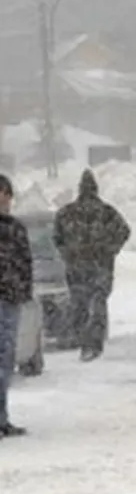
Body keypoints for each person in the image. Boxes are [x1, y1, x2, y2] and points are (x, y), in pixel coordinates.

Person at [53, 169, 130, 361]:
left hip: (77, 268)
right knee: (97, 303)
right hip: (100, 267)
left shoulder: (66, 213)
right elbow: (124, 231)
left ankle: (83, 340)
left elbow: (56, 237)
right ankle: (93, 343)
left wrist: (67, 253)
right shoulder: (107, 212)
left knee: (80, 304)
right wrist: (110, 250)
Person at [0, 174, 30, 438]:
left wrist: (24, 291)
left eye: (6, 194)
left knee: (5, 361)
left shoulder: (15, 227)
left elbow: (25, 262)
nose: (4, 199)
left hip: (9, 300)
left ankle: (2, 418)